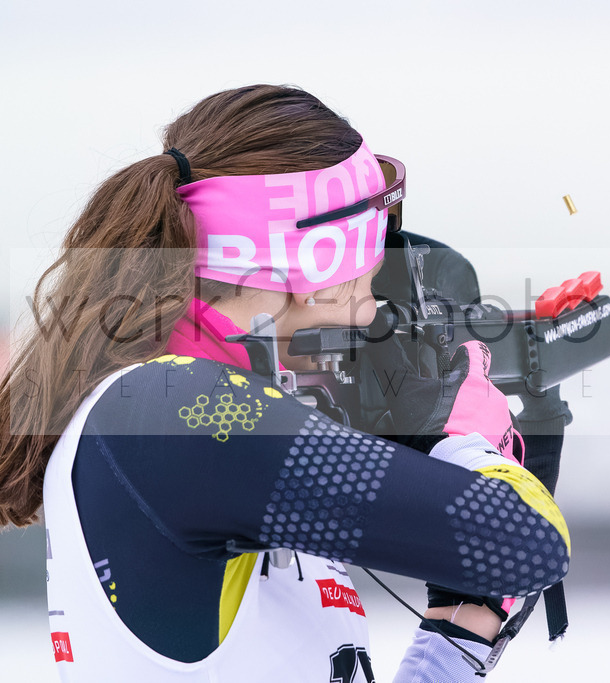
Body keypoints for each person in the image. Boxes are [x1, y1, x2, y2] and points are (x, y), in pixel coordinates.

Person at [0, 84, 570, 682]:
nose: (385, 258)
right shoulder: (182, 411)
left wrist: (459, 635)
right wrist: (461, 437)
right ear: (317, 258)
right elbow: (528, 546)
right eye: (373, 226)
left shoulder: (168, 407)